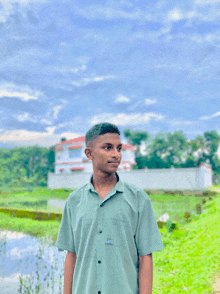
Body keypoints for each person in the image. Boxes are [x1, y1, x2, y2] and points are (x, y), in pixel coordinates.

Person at [55, 122, 164, 294]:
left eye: (119, 148)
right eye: (108, 148)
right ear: (89, 153)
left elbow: (145, 258)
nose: (116, 155)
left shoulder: (138, 199)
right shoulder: (74, 201)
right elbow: (71, 256)